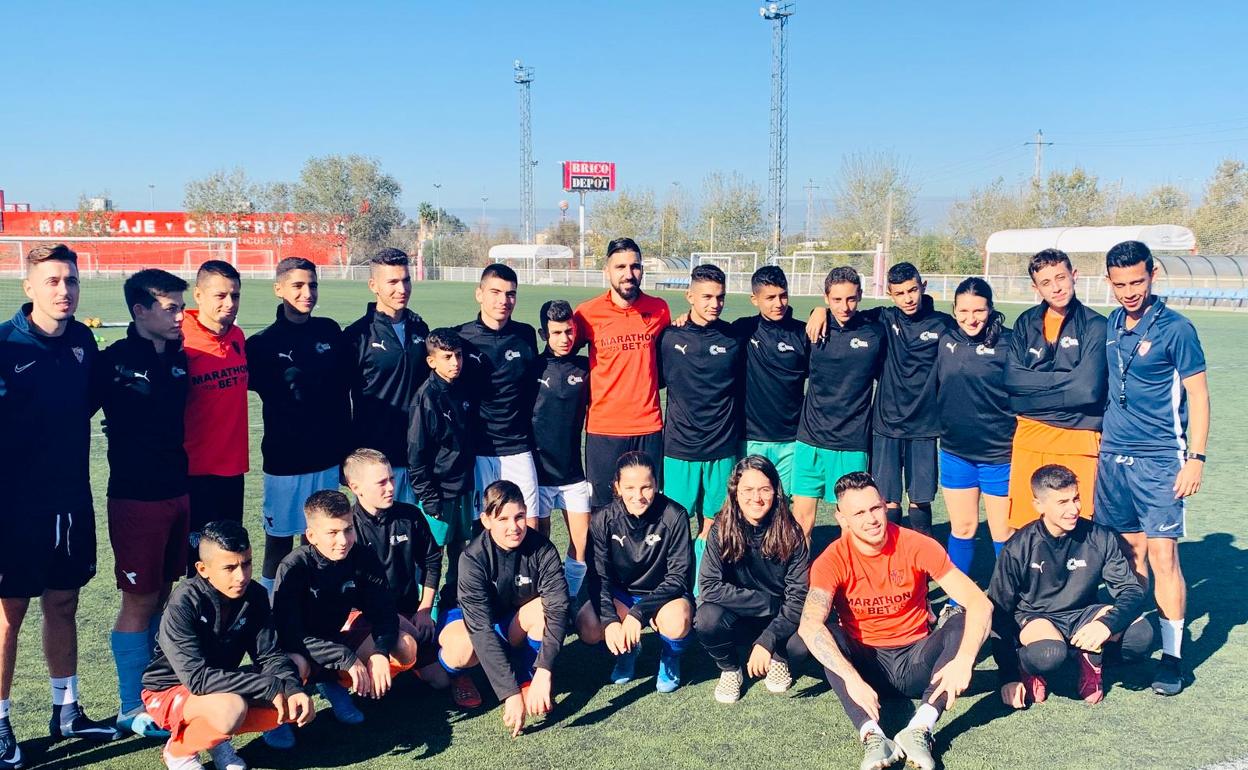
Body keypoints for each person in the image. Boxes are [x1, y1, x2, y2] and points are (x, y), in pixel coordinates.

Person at [0, 244, 117, 767]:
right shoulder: (4, 343)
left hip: (70, 498)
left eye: (70, 281)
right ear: (28, 288)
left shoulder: (82, 341)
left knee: (63, 603)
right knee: (8, 614)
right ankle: (0, 722)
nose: (63, 290)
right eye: (51, 281)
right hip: (13, 506)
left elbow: (87, 404)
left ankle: (67, 710)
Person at [798, 472, 991, 770]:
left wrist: (965, 660)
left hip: (916, 661)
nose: (872, 519)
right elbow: (809, 625)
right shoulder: (832, 559)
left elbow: (980, 603)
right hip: (866, 667)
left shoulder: (916, 544)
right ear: (842, 519)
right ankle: (873, 738)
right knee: (827, 634)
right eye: (859, 513)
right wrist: (851, 679)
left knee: (964, 620)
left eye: (876, 508)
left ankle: (920, 729)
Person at [1096, 240, 1210, 696]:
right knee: (1126, 559)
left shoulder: (1177, 329)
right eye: (1120, 284)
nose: (1129, 291)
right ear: (1109, 281)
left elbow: (1199, 397)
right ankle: (1126, 641)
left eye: (1137, 281)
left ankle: (1174, 658)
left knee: (1163, 557)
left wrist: (1196, 459)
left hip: (1161, 459)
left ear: (1153, 274)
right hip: (1112, 459)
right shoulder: (1110, 323)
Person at [96, 269, 191, 738]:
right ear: (140, 311)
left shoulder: (180, 357)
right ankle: (130, 706)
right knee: (137, 600)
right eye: (170, 307)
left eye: (181, 306)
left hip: (178, 491)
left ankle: (157, 696)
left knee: (162, 595)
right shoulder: (111, 362)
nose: (180, 316)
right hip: (135, 497)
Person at [140, 521, 314, 770]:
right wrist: (268, 685)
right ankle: (179, 751)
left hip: (221, 683)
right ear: (203, 569)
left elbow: (269, 655)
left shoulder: (254, 595)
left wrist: (293, 687)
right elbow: (197, 679)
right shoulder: (183, 603)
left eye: (246, 563)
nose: (241, 576)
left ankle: (217, 739)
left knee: (298, 667)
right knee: (231, 708)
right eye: (230, 567)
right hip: (170, 689)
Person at [990, 465, 1151, 708]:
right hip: (1037, 617)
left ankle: (1089, 658)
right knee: (1050, 655)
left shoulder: (1100, 536)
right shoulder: (1018, 547)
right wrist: (1009, 676)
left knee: (1141, 636)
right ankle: (1027, 664)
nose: (1074, 509)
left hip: (1083, 613)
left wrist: (1106, 624)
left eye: (1076, 498)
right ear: (1039, 505)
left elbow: (1131, 590)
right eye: (1062, 502)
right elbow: (999, 610)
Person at [267, 491, 418, 748]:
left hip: (335, 639)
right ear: (311, 536)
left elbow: (383, 610)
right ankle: (276, 720)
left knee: (404, 646)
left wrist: (380, 651)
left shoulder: (362, 557)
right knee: (296, 664)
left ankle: (332, 682)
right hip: (297, 648)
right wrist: (346, 658)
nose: (343, 540)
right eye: (332, 533)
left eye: (348, 530)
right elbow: (289, 634)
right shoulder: (294, 567)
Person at [246, 258, 350, 593]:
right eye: (298, 286)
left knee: (326, 539)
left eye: (313, 285)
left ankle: (322, 610)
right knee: (279, 542)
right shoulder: (261, 345)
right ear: (279, 289)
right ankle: (271, 614)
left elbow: (343, 394)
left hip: (326, 461)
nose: (307, 293)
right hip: (284, 463)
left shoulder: (330, 332)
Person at [436, 481, 569, 738]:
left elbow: (559, 609)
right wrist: (509, 694)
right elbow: (481, 629)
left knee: (545, 610)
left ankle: (527, 675)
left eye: (519, 516)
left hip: (510, 620)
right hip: (467, 620)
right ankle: (459, 676)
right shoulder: (473, 557)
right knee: (464, 649)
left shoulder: (543, 549)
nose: (513, 527)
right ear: (486, 520)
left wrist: (544, 671)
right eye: (503, 518)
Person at [343, 449, 472, 706]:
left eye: (391, 478)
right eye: (381, 482)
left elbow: (432, 560)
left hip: (409, 612)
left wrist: (424, 609)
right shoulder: (347, 529)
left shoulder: (410, 516)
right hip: (367, 617)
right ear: (355, 487)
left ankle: (405, 665)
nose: (391, 487)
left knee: (440, 680)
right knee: (406, 644)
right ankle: (337, 682)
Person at [1003, 248, 1107, 529]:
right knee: (1023, 528)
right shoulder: (1026, 322)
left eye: (1060, 277)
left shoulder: (1097, 326)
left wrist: (1033, 394)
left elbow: (1088, 391)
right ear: (1035, 288)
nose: (1056, 287)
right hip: (1029, 437)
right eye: (1046, 282)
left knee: (1078, 528)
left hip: (1078, 439)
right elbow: (1012, 382)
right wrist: (1068, 380)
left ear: (1074, 276)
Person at [576, 452, 694, 693]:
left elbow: (678, 577)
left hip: (664, 596)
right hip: (623, 596)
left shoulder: (675, 515)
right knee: (588, 626)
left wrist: (639, 612)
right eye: (629, 487)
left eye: (646, 487)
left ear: (657, 485)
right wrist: (610, 621)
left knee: (677, 621)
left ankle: (670, 657)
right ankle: (628, 651)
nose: (638, 496)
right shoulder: (602, 519)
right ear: (617, 487)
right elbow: (599, 577)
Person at [696, 455, 809, 703]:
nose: (756, 498)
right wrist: (767, 603)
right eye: (748, 490)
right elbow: (709, 587)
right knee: (706, 619)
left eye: (764, 490)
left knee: (804, 641)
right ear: (735, 492)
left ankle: (780, 658)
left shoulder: (792, 532)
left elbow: (799, 598)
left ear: (776, 492)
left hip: (782, 618)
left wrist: (770, 638)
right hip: (740, 614)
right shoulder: (721, 528)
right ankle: (730, 668)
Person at [935, 278, 1014, 613]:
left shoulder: (1009, 343)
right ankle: (956, 603)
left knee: (1003, 533)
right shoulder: (945, 338)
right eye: (964, 311)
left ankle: (1009, 603)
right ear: (953, 311)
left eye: (978, 310)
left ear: (990, 309)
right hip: (955, 452)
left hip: (1000, 454)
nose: (971, 318)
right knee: (963, 528)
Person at [659, 264, 742, 586]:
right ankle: (676, 587)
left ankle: (702, 587)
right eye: (706, 297)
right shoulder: (669, 337)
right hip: (679, 449)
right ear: (689, 296)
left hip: (721, 449)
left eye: (720, 297)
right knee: (676, 525)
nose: (714, 304)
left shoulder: (735, 337)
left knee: (714, 523)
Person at [573, 238, 671, 506]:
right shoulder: (587, 313)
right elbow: (563, 352)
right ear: (607, 270)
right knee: (604, 509)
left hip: (648, 426)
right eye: (620, 267)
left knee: (647, 506)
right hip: (604, 428)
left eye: (635, 266)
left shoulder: (660, 309)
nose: (629, 274)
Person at [791, 267, 885, 536]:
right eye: (837, 300)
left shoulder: (874, 334)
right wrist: (816, 312)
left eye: (851, 299)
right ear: (825, 298)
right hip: (810, 440)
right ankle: (799, 579)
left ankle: (849, 579)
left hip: (851, 442)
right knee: (801, 521)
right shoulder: (813, 330)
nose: (844, 307)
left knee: (851, 523)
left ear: (860, 296)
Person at [341, 248, 430, 503]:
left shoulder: (421, 329)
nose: (402, 289)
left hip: (417, 457)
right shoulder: (358, 335)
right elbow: (340, 400)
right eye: (392, 282)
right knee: (376, 538)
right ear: (373, 285)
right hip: (376, 462)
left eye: (406, 280)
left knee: (418, 536)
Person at [458, 264, 541, 522]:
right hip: (478, 448)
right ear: (479, 294)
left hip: (518, 445)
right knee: (482, 524)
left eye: (511, 294)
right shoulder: (460, 336)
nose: (504, 300)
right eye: (495, 292)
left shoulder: (525, 335)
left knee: (528, 521)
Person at [182, 260, 249, 565]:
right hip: (194, 472)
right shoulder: (180, 337)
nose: (230, 303)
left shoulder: (237, 336)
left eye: (234, 295)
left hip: (233, 469)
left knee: (229, 556)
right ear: (198, 295)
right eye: (220, 295)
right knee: (196, 562)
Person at [407, 328, 476, 610]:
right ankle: (428, 613)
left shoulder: (462, 389)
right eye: (447, 357)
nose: (455, 363)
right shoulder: (425, 398)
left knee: (461, 548)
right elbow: (416, 454)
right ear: (431, 361)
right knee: (432, 556)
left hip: (463, 489)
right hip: (438, 494)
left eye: (458, 356)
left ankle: (455, 601)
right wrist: (429, 496)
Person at [532, 300, 592, 598]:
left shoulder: (585, 368)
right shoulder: (533, 367)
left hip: (573, 474)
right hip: (539, 474)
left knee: (580, 542)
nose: (564, 339)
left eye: (569, 331)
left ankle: (569, 599)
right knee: (540, 541)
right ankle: (546, 598)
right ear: (544, 334)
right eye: (556, 333)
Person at [729, 266, 809, 492]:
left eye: (783, 295)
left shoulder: (803, 333)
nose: (778, 303)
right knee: (750, 502)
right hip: (750, 437)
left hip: (791, 438)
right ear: (754, 299)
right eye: (770, 297)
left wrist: (819, 310)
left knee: (782, 502)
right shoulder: (742, 329)